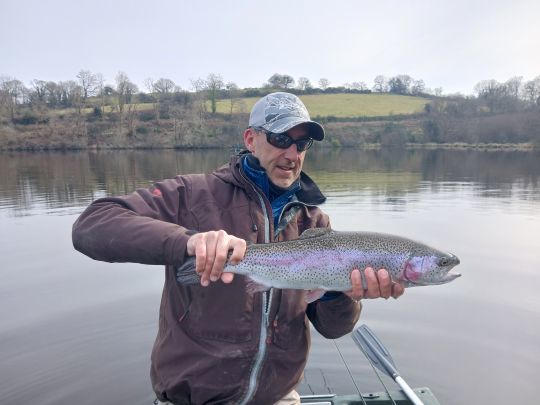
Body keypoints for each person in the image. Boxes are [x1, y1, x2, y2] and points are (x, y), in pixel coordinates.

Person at [72, 92, 404, 405]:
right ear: (250, 139)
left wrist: (340, 292)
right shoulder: (193, 194)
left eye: (302, 143)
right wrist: (187, 241)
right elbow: (93, 224)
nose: (292, 154)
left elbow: (334, 329)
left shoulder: (314, 223)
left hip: (277, 398)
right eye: (280, 139)